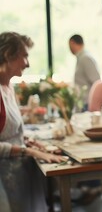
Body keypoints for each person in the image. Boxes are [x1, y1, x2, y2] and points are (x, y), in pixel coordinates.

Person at [0, 31, 67, 212]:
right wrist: (30, 151)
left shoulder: (8, 86)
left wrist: (29, 142)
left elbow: (10, 133)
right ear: (8, 55)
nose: (28, 63)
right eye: (25, 56)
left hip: (17, 172)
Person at [69, 34, 100, 110]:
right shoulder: (80, 58)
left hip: (87, 103)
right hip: (82, 103)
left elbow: (97, 82)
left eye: (69, 45)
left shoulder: (86, 59)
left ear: (73, 43)